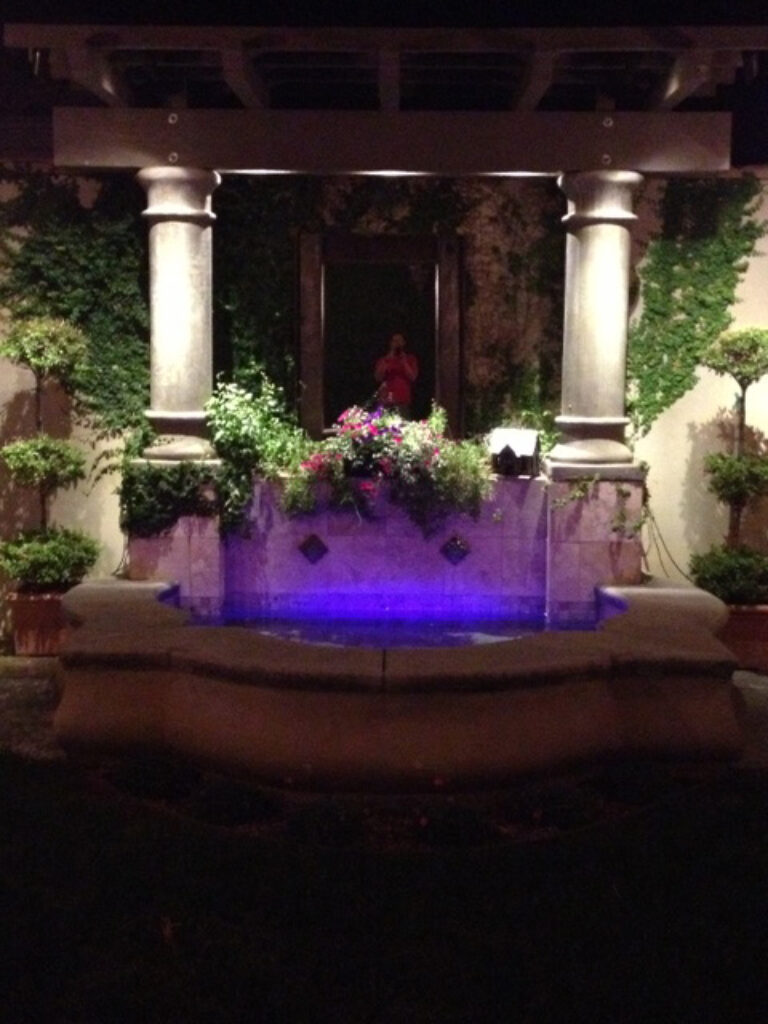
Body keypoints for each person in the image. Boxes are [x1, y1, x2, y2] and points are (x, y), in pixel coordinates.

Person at [374, 332, 419, 417]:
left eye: (399, 341)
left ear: (404, 343)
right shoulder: (384, 359)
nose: (397, 343)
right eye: (394, 341)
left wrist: (404, 361)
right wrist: (388, 359)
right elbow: (378, 377)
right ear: (390, 343)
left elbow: (413, 377)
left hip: (402, 399)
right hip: (386, 399)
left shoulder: (410, 359)